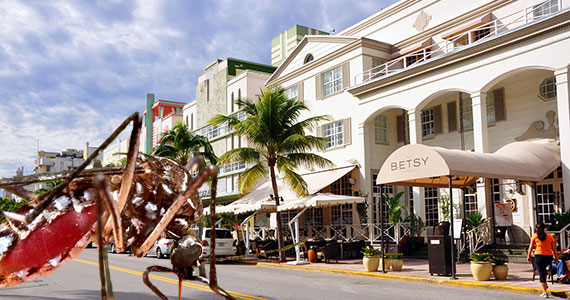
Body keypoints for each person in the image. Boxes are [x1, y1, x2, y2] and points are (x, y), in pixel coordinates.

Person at [528, 222, 559, 298]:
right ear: (544, 229)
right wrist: (556, 258)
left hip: (539, 256)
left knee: (541, 273)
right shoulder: (550, 237)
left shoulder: (535, 236)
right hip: (548, 257)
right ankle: (544, 285)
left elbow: (531, 247)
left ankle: (544, 292)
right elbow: (554, 249)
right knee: (544, 271)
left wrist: (528, 256)